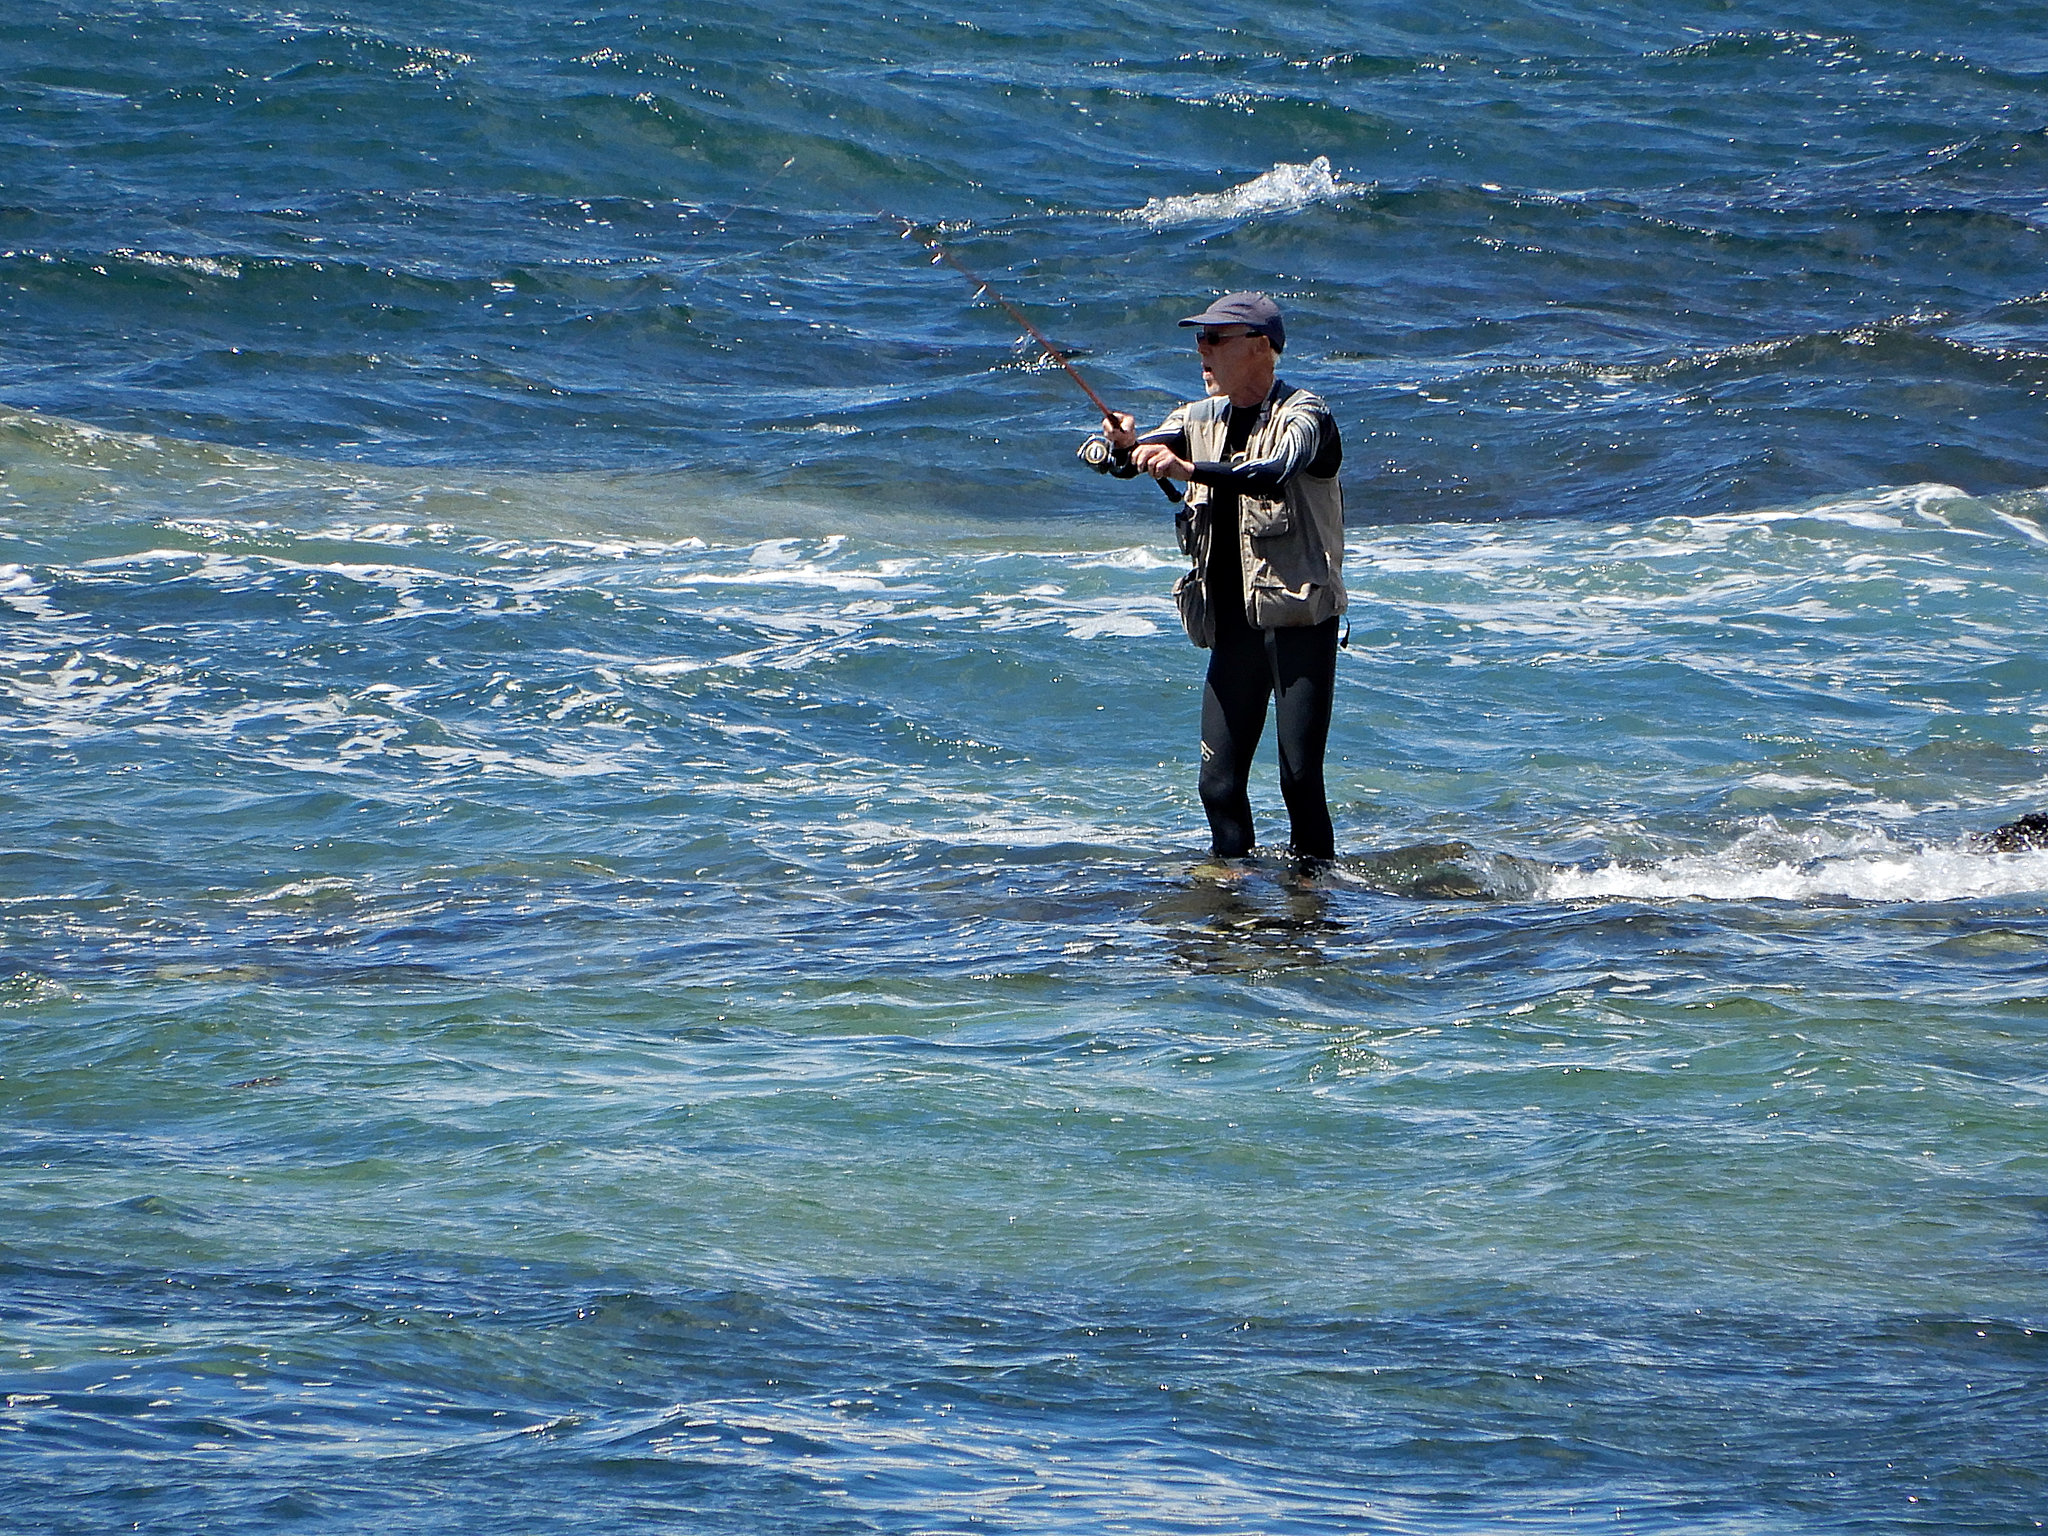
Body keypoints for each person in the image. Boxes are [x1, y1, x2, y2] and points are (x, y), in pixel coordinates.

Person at [1090, 292, 1346, 863]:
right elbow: (1116, 458)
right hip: (1233, 628)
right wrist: (1118, 445)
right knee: (1219, 787)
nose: (1201, 350)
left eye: (1214, 339)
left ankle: (1313, 904)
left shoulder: (1307, 416)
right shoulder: (1197, 419)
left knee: (1299, 780)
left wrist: (1189, 469)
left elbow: (1273, 469)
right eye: (1198, 339)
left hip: (1299, 622)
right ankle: (1234, 896)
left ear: (1261, 348)